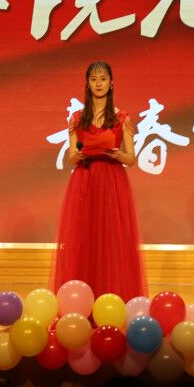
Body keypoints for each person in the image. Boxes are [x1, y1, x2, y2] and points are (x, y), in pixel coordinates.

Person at [53, 61, 145, 302]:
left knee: (112, 241)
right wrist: (79, 154)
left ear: (112, 83)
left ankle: (112, 299)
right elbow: (72, 156)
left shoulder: (122, 118)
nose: (98, 84)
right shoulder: (77, 118)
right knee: (83, 239)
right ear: (87, 84)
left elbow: (131, 158)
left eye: (103, 79)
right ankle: (79, 300)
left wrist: (116, 154)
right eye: (93, 79)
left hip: (112, 181)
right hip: (85, 180)